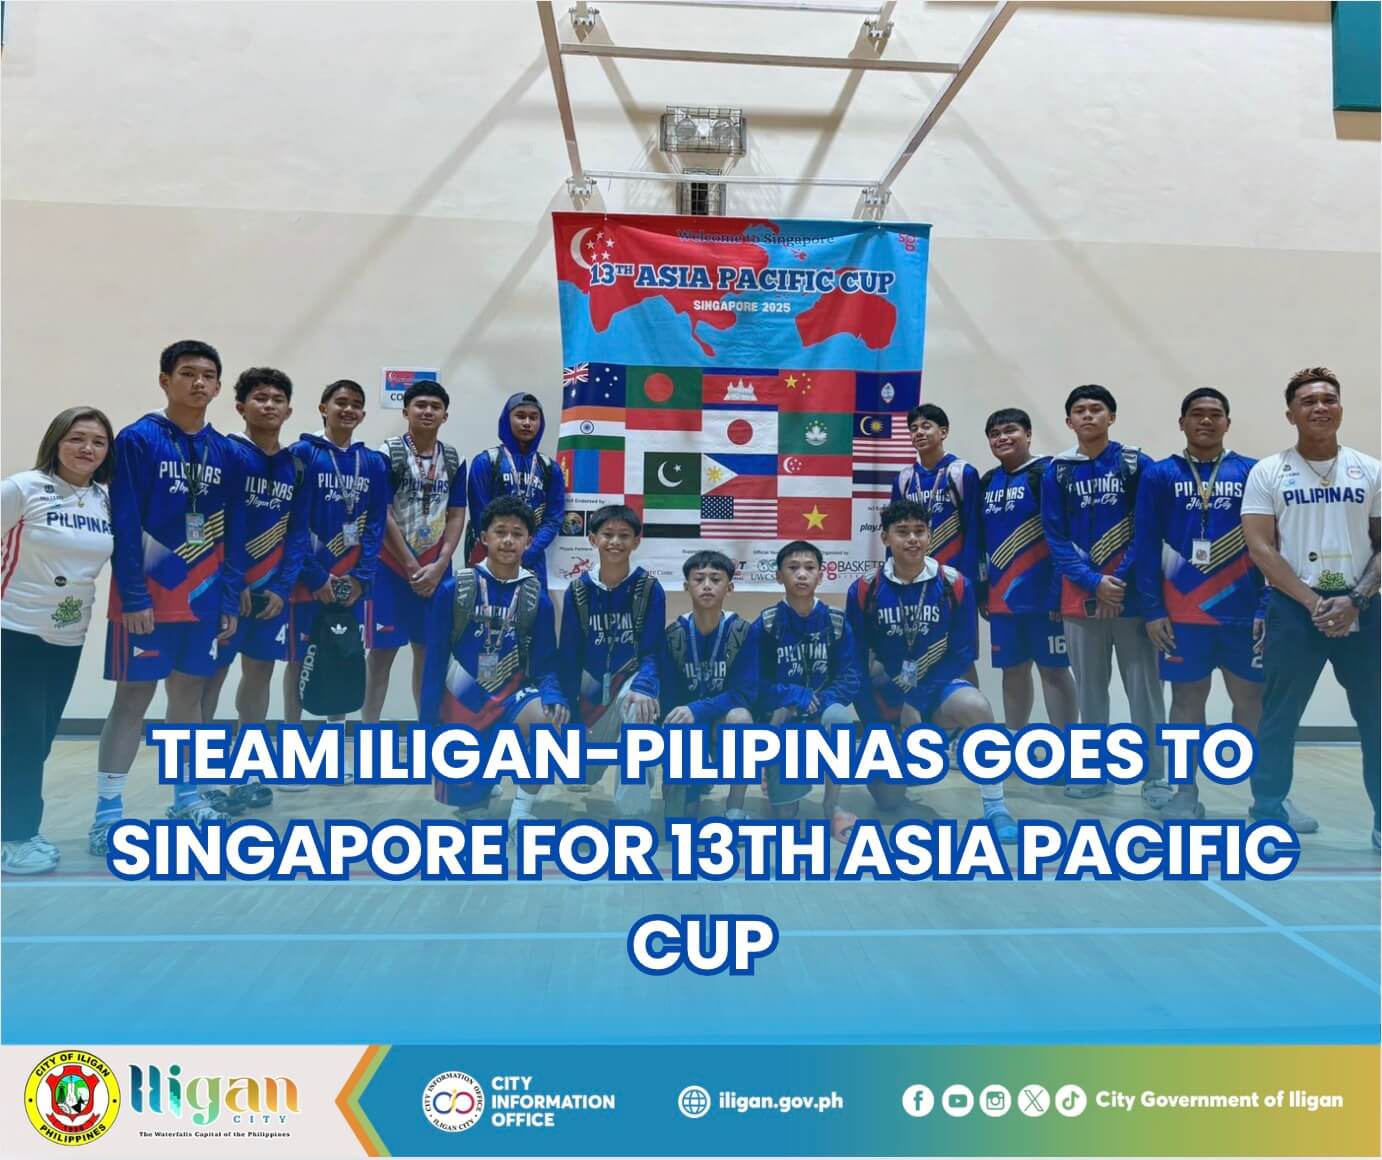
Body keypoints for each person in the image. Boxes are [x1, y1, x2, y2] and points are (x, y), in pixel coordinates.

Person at [91, 341, 245, 854]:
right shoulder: (137, 440)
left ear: (219, 387)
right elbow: (125, 521)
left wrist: (228, 599)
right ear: (164, 381)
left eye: (208, 376)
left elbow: (236, 533)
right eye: (187, 373)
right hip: (147, 599)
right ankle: (109, 811)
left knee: (189, 698)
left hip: (203, 598)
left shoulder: (228, 451)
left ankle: (188, 795)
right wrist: (133, 596)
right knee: (133, 699)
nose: (198, 383)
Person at [1242, 367, 1380, 848]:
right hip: (1293, 610)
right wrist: (1313, 601)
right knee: (1279, 717)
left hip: (1361, 608)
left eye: (1329, 399)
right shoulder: (1268, 471)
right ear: (1290, 413)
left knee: (1376, 718)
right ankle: (1267, 810)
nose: (1320, 407)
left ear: (1340, 407)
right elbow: (1260, 547)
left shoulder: (1370, 469)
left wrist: (1357, 598)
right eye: (1308, 401)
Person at [1134, 388, 1281, 822]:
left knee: (1252, 701)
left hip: (1242, 611)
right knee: (1186, 700)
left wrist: (1265, 606)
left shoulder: (1253, 472)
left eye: (1215, 414)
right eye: (1196, 414)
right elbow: (1144, 545)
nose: (1206, 421)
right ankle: (1185, 791)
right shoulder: (1159, 475)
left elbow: (1273, 545)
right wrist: (1153, 609)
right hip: (1182, 613)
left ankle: (1267, 796)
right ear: (1181, 422)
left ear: (1227, 424)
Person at [848, 500, 1019, 842]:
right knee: (890, 801)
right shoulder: (865, 588)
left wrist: (916, 702)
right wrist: (877, 724)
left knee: (976, 706)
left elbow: (962, 653)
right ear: (885, 538)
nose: (912, 539)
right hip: (886, 696)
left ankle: (996, 806)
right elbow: (854, 663)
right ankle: (910, 753)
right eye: (902, 532)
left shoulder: (954, 583)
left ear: (930, 535)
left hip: (935, 690)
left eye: (919, 531)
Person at [1041, 384, 1169, 807]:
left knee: (1144, 690)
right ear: (1069, 421)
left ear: (1111, 417)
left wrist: (1118, 580)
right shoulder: (1057, 471)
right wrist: (1093, 582)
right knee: (1091, 691)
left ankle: (1155, 777)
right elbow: (1055, 537)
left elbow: (1149, 530)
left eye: (1097, 409)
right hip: (1081, 598)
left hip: (1131, 599)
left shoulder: (1136, 464)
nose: (1088, 416)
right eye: (1079, 410)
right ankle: (1094, 772)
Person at [2, 408, 115, 873]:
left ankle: (16, 824)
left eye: (98, 442)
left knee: (40, 737)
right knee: (23, 736)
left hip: (68, 635)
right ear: (56, 441)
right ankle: (15, 837)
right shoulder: (23, 488)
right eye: (77, 438)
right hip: (15, 629)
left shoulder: (103, 501)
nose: (87, 449)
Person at [420, 496, 568, 827]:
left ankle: (521, 811)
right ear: (483, 537)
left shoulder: (536, 597)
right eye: (500, 531)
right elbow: (435, 661)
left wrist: (553, 695)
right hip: (463, 697)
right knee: (473, 812)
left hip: (510, 695)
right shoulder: (454, 589)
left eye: (517, 534)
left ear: (529, 542)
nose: (508, 540)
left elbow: (545, 663)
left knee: (550, 722)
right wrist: (427, 723)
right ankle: (484, 781)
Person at [200, 368, 308, 815]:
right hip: (228, 590)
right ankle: (202, 780)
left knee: (259, 675)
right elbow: (216, 523)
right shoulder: (225, 454)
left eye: (277, 398)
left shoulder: (296, 465)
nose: (269, 405)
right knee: (211, 678)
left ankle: (248, 771)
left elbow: (298, 533)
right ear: (240, 406)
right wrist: (233, 583)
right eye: (259, 397)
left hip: (272, 595)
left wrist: (282, 587)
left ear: (288, 409)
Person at [284, 380, 389, 726]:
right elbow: (291, 522)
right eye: (340, 402)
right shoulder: (302, 453)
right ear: (322, 408)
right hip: (309, 577)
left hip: (351, 582)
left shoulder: (372, 461)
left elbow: (375, 525)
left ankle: (331, 749)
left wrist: (361, 579)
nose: (348, 409)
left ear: (362, 413)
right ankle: (291, 750)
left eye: (356, 404)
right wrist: (315, 575)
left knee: (343, 656)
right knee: (300, 661)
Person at [364, 380, 466, 721]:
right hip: (391, 569)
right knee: (380, 656)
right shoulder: (387, 453)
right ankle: (369, 738)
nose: (427, 411)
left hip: (436, 572)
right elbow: (383, 512)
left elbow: (456, 514)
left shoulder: (453, 458)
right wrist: (409, 564)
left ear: (446, 415)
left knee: (429, 656)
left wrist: (440, 564)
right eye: (420, 405)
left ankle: (426, 737)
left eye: (435, 407)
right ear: (406, 411)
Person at [558, 504, 665, 815]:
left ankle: (633, 815)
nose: (615, 542)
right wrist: (571, 712)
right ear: (592, 539)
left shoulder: (649, 588)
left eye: (624, 535)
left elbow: (652, 651)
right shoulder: (579, 589)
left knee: (640, 710)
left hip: (629, 682)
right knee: (579, 775)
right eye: (607, 535)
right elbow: (569, 655)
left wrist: (645, 686)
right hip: (590, 691)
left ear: (636, 542)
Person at [977, 408, 1077, 733]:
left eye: (1010, 430)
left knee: (1054, 670)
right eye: (995, 434)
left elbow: (1066, 537)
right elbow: (979, 541)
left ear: (1028, 434)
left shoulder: (1047, 473)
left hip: (1046, 600)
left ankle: (1066, 747)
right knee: (1013, 671)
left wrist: (1060, 593)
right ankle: (1015, 740)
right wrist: (982, 592)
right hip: (1003, 599)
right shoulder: (988, 481)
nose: (1002, 438)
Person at [755, 540, 860, 841]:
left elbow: (850, 678)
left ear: (821, 575)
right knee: (786, 814)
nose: (801, 574)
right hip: (783, 716)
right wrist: (792, 696)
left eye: (809, 568)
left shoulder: (837, 621)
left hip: (822, 710)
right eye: (793, 568)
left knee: (840, 719)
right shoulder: (766, 624)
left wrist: (819, 701)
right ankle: (771, 769)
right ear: (778, 576)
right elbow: (755, 685)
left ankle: (832, 803)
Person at [662, 550, 757, 820]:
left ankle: (735, 807)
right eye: (698, 579)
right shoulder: (674, 635)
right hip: (688, 731)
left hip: (723, 722)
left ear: (730, 587)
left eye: (715, 579)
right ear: (685, 586)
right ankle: (693, 783)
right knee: (679, 819)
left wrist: (699, 710)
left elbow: (745, 692)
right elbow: (669, 697)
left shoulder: (743, 631)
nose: (706, 585)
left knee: (741, 718)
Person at [466, 393, 565, 588]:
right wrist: (501, 550)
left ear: (540, 422)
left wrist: (526, 551)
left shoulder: (550, 468)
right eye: (520, 416)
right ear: (506, 419)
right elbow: (480, 515)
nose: (527, 423)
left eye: (533, 417)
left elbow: (553, 519)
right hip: (490, 555)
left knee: (532, 613)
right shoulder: (486, 461)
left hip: (531, 557)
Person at [891, 403, 981, 583]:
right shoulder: (904, 479)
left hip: (954, 574)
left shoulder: (962, 473)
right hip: (912, 575)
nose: (919, 433)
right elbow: (894, 529)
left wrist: (968, 580)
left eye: (926, 426)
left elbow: (974, 530)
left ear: (943, 432)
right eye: (913, 428)